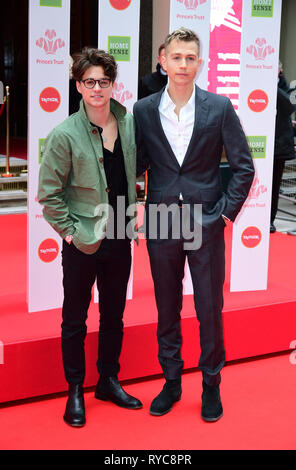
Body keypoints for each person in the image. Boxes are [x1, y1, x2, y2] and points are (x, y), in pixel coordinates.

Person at [133, 28, 255, 422]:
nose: (183, 65)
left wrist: (224, 214)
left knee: (209, 308)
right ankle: (171, 382)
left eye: (191, 58)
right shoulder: (144, 110)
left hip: (206, 222)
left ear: (199, 63)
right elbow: (137, 166)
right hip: (162, 221)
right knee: (166, 308)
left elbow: (243, 167)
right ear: (163, 60)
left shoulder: (219, 107)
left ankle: (210, 385)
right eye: (177, 57)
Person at [38, 47, 142, 427]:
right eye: (89, 81)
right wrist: (68, 231)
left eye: (104, 81)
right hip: (83, 241)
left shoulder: (128, 123)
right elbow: (49, 194)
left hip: (120, 238)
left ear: (113, 84)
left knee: (114, 314)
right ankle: (75, 389)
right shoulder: (64, 134)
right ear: (78, 85)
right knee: (75, 318)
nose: (97, 88)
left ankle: (108, 380)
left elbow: (133, 173)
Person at [270, 62, 296, 233]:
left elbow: (289, 106)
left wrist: (270, 86)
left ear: (280, 71)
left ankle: (270, 220)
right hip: (260, 144)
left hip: (279, 146)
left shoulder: (289, 89)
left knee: (275, 184)